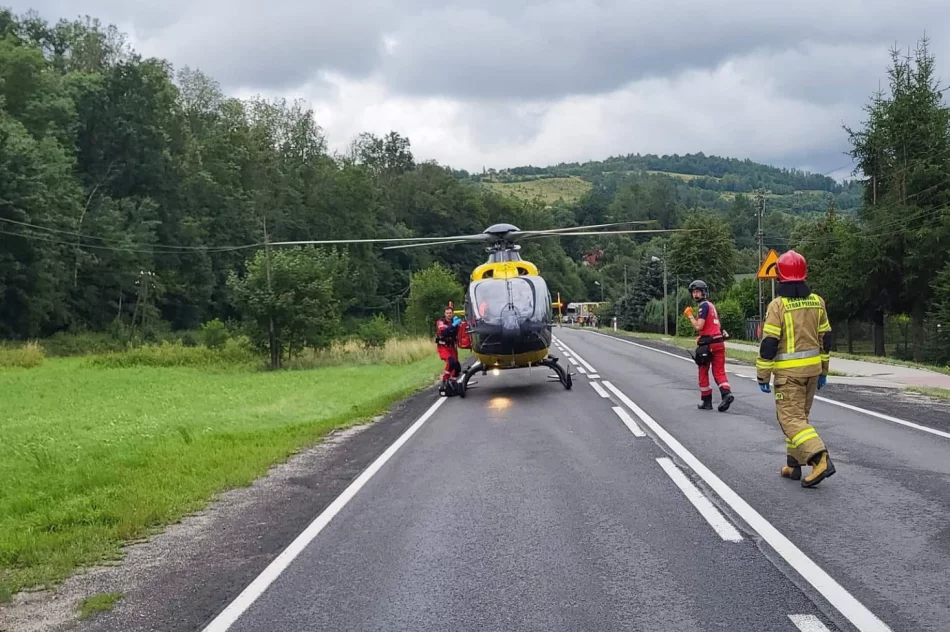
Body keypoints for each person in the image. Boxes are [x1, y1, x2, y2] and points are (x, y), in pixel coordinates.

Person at [756, 250, 835, 488]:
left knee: (791, 420)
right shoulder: (817, 301)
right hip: (812, 372)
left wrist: (762, 374)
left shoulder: (778, 305)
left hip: (789, 376)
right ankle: (793, 465)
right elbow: (826, 338)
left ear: (779, 275)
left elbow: (769, 343)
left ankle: (820, 459)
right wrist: (824, 370)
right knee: (800, 419)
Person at [684, 280, 734, 412]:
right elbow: (712, 326)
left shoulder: (703, 306)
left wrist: (689, 316)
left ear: (703, 292)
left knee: (703, 372)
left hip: (708, 345)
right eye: (693, 292)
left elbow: (698, 326)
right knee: (719, 371)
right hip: (719, 342)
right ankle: (726, 394)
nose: (695, 295)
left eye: (697, 292)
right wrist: (702, 335)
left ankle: (706, 401)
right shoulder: (711, 306)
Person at [435, 306, 463, 396]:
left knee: (457, 367)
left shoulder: (455, 321)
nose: (449, 315)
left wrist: (459, 325)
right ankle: (445, 380)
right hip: (443, 347)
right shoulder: (440, 322)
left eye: (450, 313)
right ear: (444, 314)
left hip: (452, 347)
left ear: (452, 313)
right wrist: (453, 325)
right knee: (450, 362)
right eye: (447, 313)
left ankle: (452, 381)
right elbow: (444, 332)